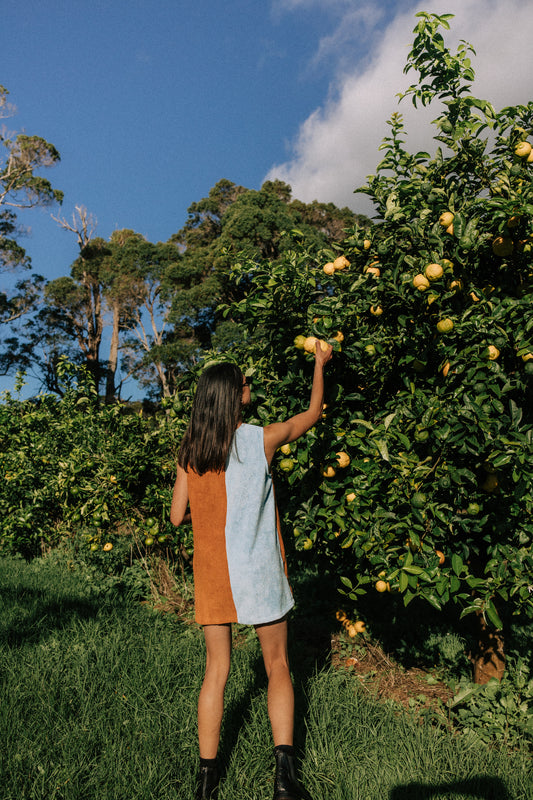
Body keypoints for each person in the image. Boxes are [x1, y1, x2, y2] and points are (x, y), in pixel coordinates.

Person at [170, 342, 333, 799]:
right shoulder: (261, 438)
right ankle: (284, 781)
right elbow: (313, 413)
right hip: (258, 571)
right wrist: (319, 365)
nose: (250, 387)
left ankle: (205, 784)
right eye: (245, 383)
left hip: (214, 573)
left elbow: (176, 515)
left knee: (215, 670)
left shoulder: (192, 448)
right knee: (277, 665)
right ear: (234, 395)